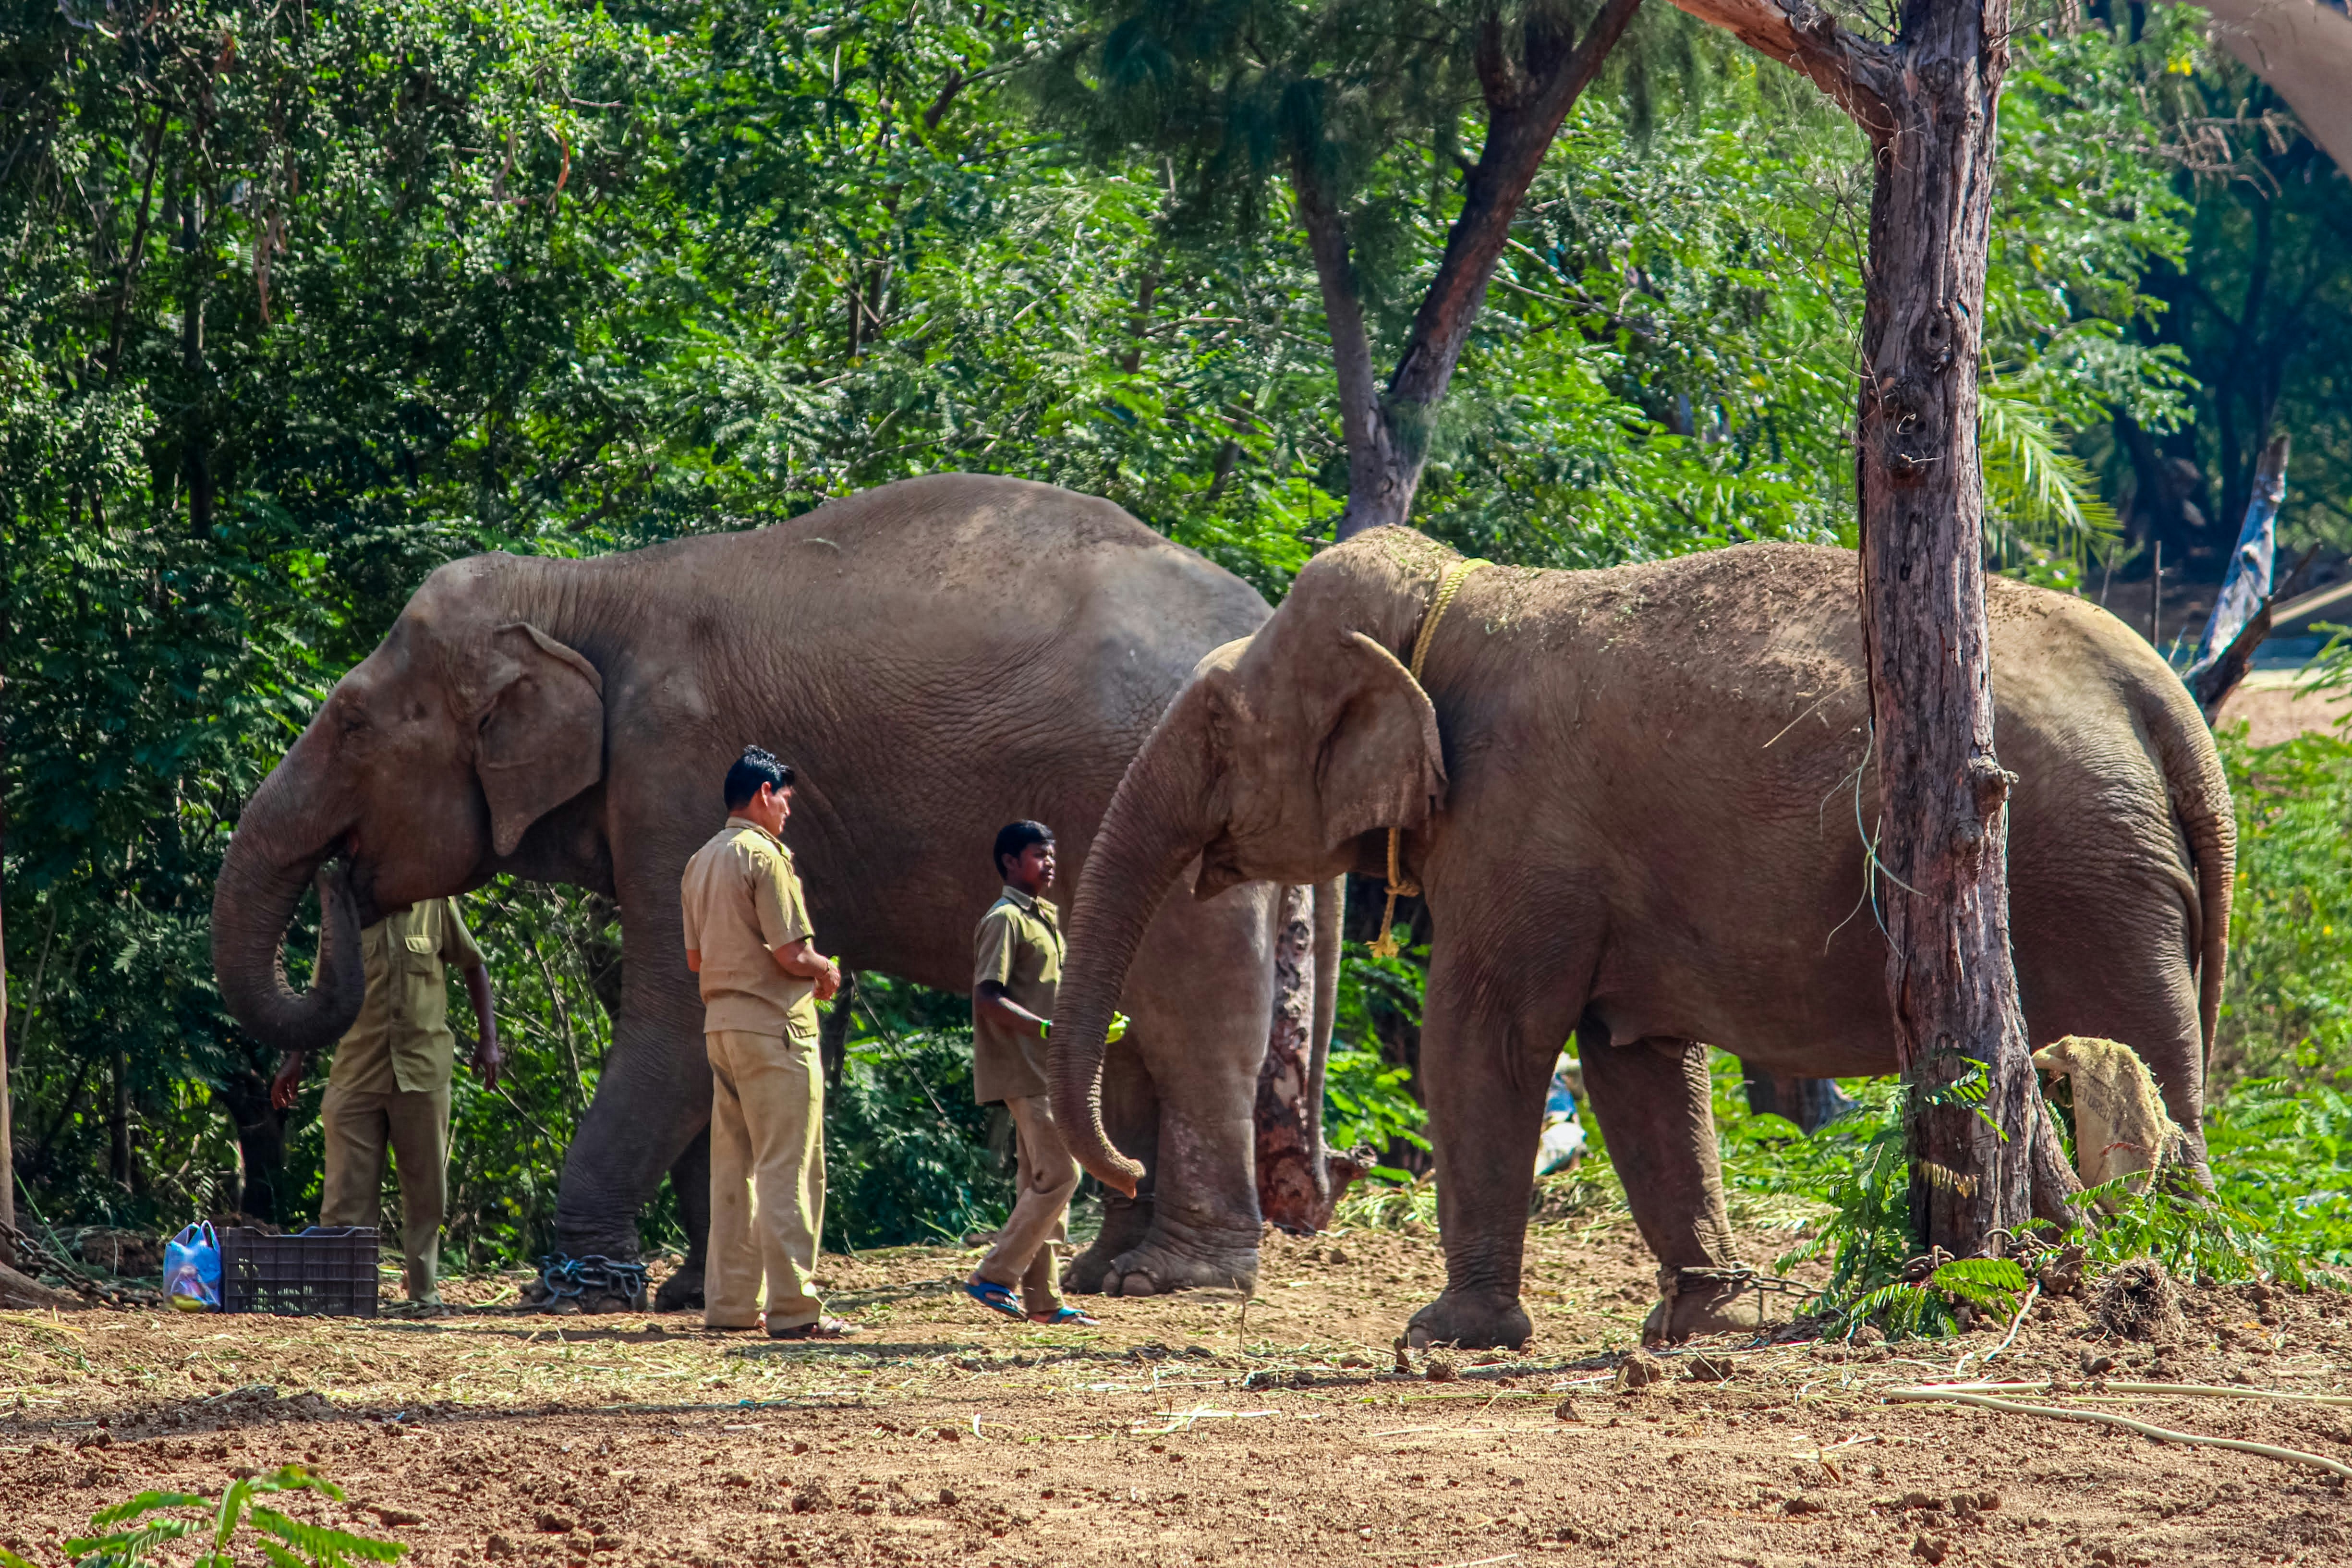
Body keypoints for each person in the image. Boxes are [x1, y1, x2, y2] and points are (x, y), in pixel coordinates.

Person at [679, 745, 856, 1339]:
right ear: (762, 794)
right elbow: (791, 952)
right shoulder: (765, 856)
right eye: (785, 799)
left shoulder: (700, 861)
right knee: (790, 1167)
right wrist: (825, 970)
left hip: (721, 1028)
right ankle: (794, 1309)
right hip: (776, 1031)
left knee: (734, 1169)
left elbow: (694, 958)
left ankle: (730, 1306)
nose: (787, 812)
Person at [270, 897, 499, 1312]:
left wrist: (490, 1040)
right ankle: (344, 1295)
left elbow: (473, 964)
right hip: (359, 1068)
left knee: (427, 1191)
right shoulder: (347, 912)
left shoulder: (435, 903)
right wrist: (295, 1058)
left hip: (422, 1069)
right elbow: (321, 995)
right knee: (345, 1198)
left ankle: (423, 1294)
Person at [965, 820, 1103, 1327]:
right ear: (1009, 862)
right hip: (1025, 1070)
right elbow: (987, 996)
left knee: (1035, 1180)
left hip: (1045, 1067)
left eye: (1051, 854)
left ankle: (1043, 1301)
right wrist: (1046, 1029)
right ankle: (993, 1274)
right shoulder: (1005, 919)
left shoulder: (1042, 917)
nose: (1049, 863)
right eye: (1038, 855)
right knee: (1063, 1174)